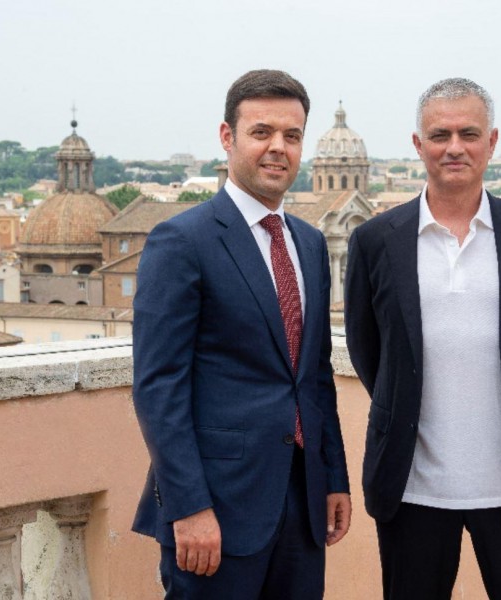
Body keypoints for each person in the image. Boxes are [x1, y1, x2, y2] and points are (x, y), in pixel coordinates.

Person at [344, 77, 501, 600]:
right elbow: (368, 351)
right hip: (411, 487)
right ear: (418, 144)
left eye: (469, 133)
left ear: (491, 142)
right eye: (440, 134)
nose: (454, 147)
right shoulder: (375, 241)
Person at [131, 69, 351, 599]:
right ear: (227, 137)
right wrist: (188, 506)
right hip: (215, 510)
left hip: (302, 504)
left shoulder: (310, 243)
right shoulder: (181, 241)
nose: (278, 148)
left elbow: (314, 375)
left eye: (292, 136)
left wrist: (333, 476)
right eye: (262, 132)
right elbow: (159, 388)